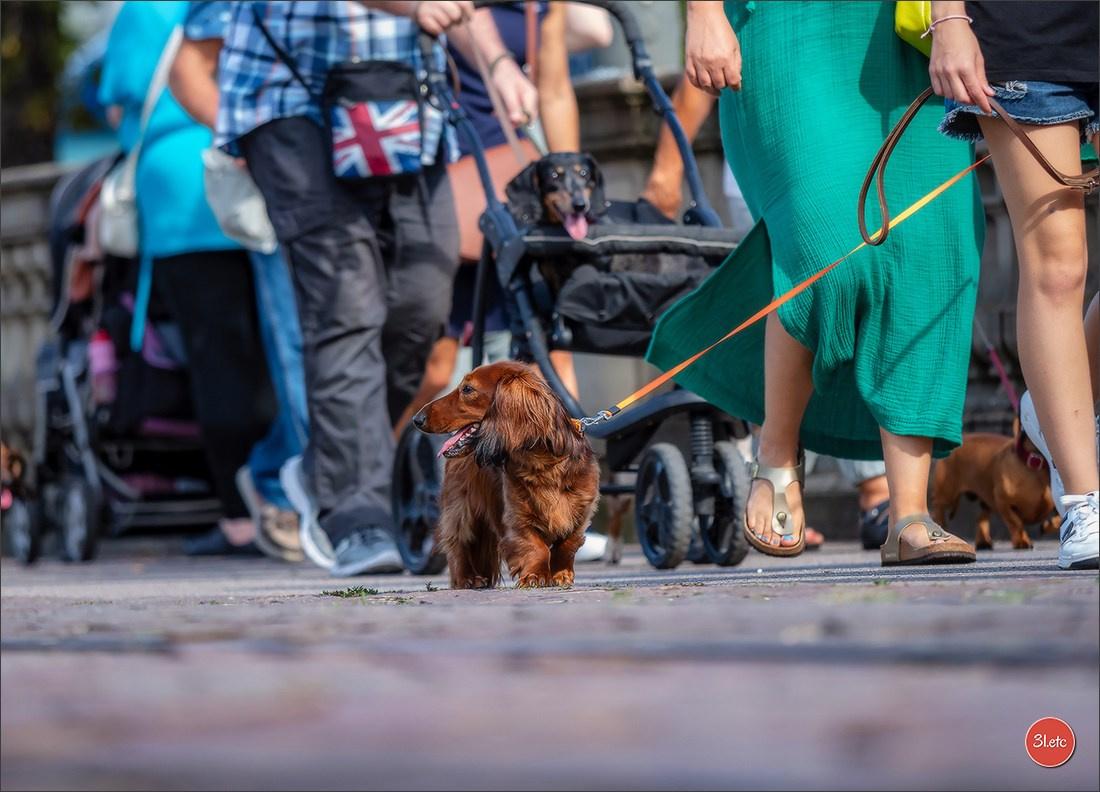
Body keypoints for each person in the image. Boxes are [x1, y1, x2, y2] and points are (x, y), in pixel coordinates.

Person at [648, 1, 984, 566]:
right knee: (826, 247)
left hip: (908, 26)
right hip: (787, 28)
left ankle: (909, 512)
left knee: (933, 252)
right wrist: (704, 13)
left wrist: (953, 18)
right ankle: (776, 451)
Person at [214, 1, 537, 577]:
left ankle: (323, 467)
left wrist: (498, 64)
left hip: (401, 105)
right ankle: (355, 515)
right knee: (346, 304)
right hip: (289, 100)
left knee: (423, 297)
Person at [642, 70, 894, 552]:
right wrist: (667, 168)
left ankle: (873, 488)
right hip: (781, 140)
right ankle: (780, 474)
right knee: (800, 298)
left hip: (863, 129)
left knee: (856, 294)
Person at [98, 0, 289, 559]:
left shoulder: (145, 10)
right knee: (276, 358)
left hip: (183, 197)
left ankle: (239, 516)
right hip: (257, 177)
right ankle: (283, 501)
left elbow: (117, 107)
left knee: (216, 361)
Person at [927, 0, 1099, 569]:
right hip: (1026, 31)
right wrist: (948, 18)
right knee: (1057, 264)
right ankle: (1084, 500)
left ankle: (1056, 408)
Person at [169, 0, 310, 564]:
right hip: (283, 182)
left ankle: (277, 473)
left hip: (362, 172)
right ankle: (316, 496)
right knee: (300, 345)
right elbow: (187, 69)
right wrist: (248, 141)